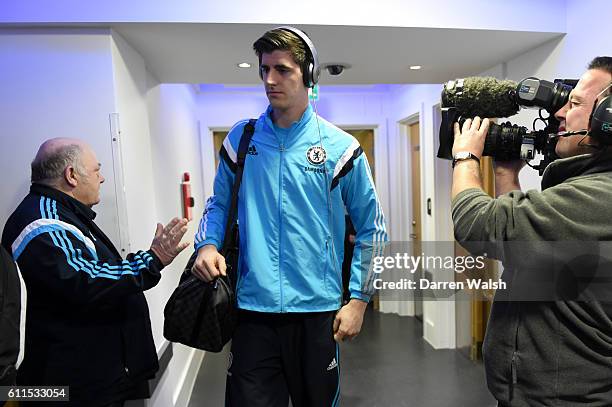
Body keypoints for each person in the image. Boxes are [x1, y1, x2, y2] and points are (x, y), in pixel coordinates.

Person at [191, 27, 387, 407]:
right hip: (252, 310)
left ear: (308, 74)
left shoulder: (341, 148)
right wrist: (208, 244)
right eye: (264, 69)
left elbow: (372, 228)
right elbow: (218, 203)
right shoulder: (241, 140)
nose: (269, 80)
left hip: (316, 312)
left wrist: (360, 300)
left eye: (282, 70)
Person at [451, 56, 612, 405]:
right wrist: (507, 177)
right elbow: (531, 254)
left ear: (607, 119)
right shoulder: (588, 188)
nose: (560, 113)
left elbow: (475, 226)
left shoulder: (597, 197)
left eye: (576, 103)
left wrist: (465, 156)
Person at [1, 138, 190, 407]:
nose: (101, 178)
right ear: (72, 175)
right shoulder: (42, 221)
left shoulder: (64, 213)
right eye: (96, 170)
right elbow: (87, 279)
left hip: (92, 377)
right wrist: (152, 260)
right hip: (70, 385)